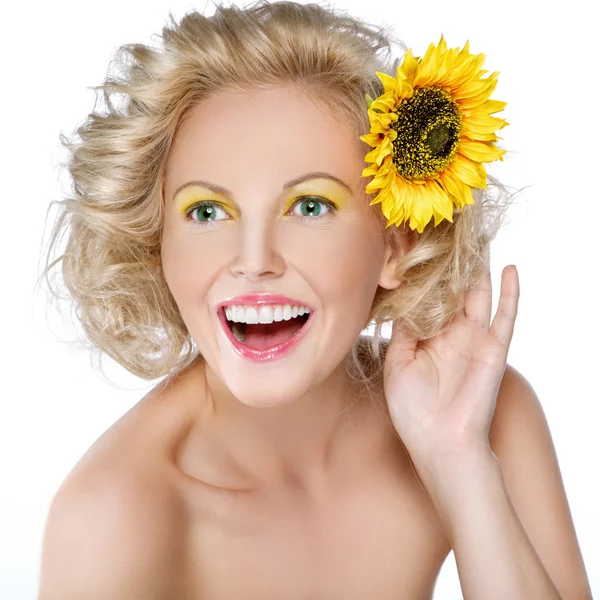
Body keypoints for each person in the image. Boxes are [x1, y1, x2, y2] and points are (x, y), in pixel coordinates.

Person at [37, 1, 592, 598]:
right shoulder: (110, 519)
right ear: (157, 244)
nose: (254, 259)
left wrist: (459, 459)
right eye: (207, 211)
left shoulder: (483, 414)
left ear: (394, 245)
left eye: (309, 206)